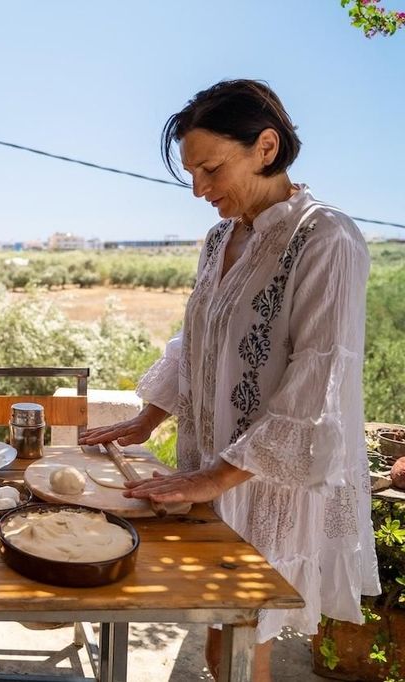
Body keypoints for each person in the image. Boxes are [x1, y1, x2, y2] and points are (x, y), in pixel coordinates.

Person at [79, 79, 379, 682]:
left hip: (270, 482)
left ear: (266, 147)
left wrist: (215, 478)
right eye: (192, 173)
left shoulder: (326, 238)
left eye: (211, 169)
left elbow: (317, 377)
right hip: (213, 467)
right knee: (226, 639)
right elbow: (200, 338)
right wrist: (148, 418)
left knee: (238, 646)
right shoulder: (220, 238)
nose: (199, 189)